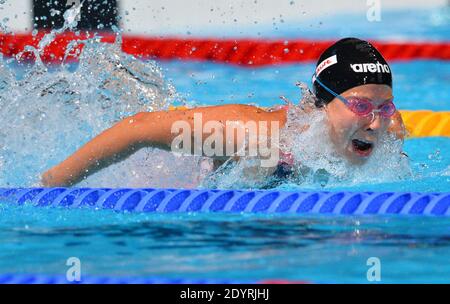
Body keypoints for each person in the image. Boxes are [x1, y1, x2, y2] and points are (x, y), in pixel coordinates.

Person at [41, 37, 405, 187]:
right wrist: (50, 186)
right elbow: (138, 128)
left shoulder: (385, 126)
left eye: (384, 106)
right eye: (359, 106)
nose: (374, 121)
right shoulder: (257, 137)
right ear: (322, 104)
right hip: (172, 179)